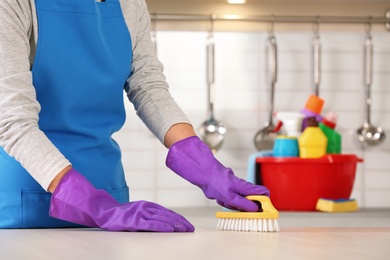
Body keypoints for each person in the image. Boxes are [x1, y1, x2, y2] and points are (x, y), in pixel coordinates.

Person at [0, 0, 269, 232]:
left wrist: (204, 165)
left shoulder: (129, 4)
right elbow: (13, 120)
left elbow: (147, 86)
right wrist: (93, 204)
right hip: (26, 207)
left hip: (110, 205)